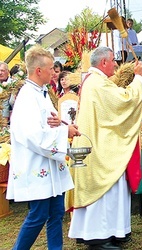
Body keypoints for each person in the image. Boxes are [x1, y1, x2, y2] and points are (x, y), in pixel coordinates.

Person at [67, 46, 142, 249]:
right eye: (113, 60)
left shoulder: (96, 81)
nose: (115, 64)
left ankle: (113, 231)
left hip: (99, 143)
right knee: (103, 191)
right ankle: (97, 237)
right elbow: (125, 101)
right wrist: (138, 78)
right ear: (103, 62)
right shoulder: (97, 83)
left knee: (112, 190)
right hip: (100, 150)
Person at [6, 45, 80, 249]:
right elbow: (32, 134)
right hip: (36, 164)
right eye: (50, 69)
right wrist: (64, 133)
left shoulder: (42, 93)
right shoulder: (27, 96)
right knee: (38, 215)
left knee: (56, 213)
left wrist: (62, 125)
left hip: (50, 165)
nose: (54, 73)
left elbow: (47, 123)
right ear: (38, 71)